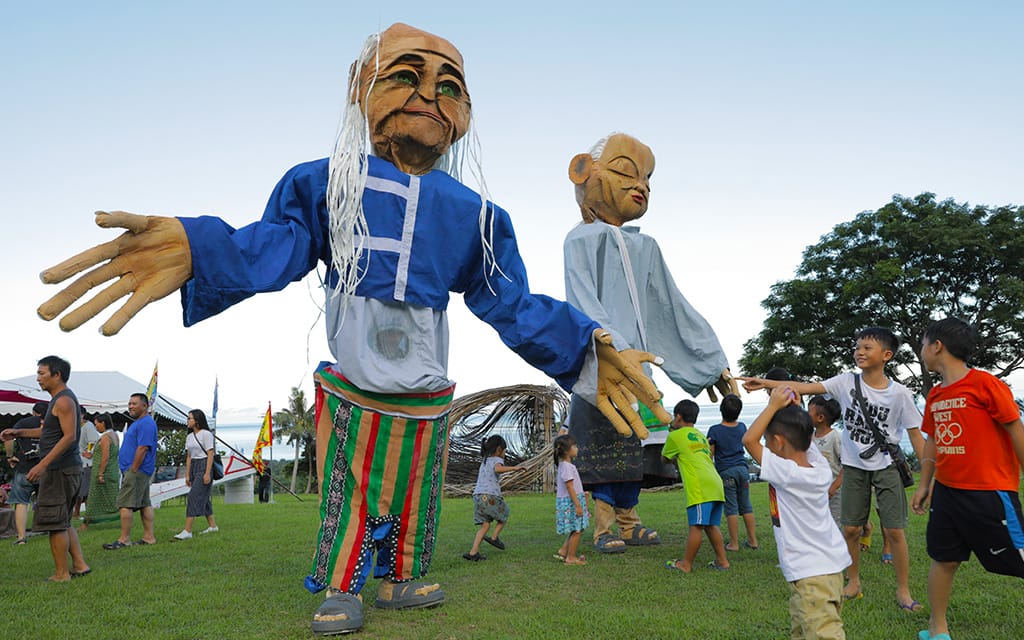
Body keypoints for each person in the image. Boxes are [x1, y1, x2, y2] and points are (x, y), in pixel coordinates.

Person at [35, 24, 668, 635]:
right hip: (353, 391)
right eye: (404, 75)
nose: (429, 95)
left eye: (450, 86)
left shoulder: (476, 215)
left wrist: (582, 343)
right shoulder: (322, 184)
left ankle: (401, 577)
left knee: (418, 497)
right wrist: (204, 248)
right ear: (359, 87)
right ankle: (342, 585)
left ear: (467, 113)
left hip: (427, 394)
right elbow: (273, 248)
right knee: (353, 494)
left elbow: (509, 299)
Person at [563, 132, 737, 554]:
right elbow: (581, 300)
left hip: (637, 372)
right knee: (602, 447)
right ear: (584, 170)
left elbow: (670, 306)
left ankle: (629, 521)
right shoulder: (580, 239)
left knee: (631, 451)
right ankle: (604, 529)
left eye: (647, 178)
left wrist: (709, 359)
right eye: (627, 171)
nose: (640, 184)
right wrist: (611, 346)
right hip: (602, 368)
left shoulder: (647, 246)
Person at [740, 326, 926, 610]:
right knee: (850, 529)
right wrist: (764, 383)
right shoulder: (846, 382)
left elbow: (915, 435)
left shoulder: (900, 394)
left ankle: (903, 590)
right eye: (858, 346)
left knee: (896, 530)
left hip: (886, 465)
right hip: (853, 466)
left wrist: (925, 480)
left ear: (886, 355)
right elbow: (805, 387)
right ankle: (853, 582)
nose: (860, 352)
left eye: (867, 348)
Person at [911, 318, 1024, 640]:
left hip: (989, 493)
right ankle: (938, 629)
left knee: (1019, 559)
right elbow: (932, 439)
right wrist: (924, 484)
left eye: (923, 344)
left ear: (937, 346)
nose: (921, 351)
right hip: (947, 494)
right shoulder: (935, 395)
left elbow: (1015, 428)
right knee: (944, 558)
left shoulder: (986, 384)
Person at [742, 386, 851, 640]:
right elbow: (804, 439)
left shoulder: (787, 473)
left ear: (778, 443)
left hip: (811, 572)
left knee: (823, 634)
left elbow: (748, 441)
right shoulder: (819, 467)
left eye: (769, 442)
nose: (766, 446)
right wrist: (795, 409)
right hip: (827, 569)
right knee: (802, 631)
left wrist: (772, 406)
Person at [0, 356, 90, 581]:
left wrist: (42, 464)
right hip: (64, 469)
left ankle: (61, 574)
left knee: (54, 522)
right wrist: (18, 432)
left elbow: (69, 437)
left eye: (42, 373)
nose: (38, 378)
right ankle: (79, 565)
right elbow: (49, 433)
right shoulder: (58, 401)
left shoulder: (63, 401)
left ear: (56, 375)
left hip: (60, 470)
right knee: (64, 520)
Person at [663, 400, 729, 572]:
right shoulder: (700, 435)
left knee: (696, 525)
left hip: (700, 486)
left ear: (678, 417)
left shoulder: (674, 436)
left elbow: (664, 458)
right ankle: (722, 561)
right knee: (710, 525)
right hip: (716, 483)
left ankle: (685, 564)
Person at [103, 392, 158, 549]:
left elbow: (143, 448)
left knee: (125, 504)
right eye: (130, 403)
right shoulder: (138, 423)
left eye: (134, 403)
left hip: (137, 471)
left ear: (145, 405)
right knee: (144, 503)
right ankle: (149, 537)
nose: (131, 406)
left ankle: (124, 539)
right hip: (138, 471)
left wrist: (132, 469)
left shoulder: (146, 423)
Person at [707, 393, 759, 551]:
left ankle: (734, 543)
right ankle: (753, 541)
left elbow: (711, 454)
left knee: (731, 507)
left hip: (726, 472)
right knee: (746, 505)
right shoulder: (742, 426)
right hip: (743, 470)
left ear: (721, 409)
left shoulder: (714, 430)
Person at [463, 435, 523, 561]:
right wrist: (514, 468)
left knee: (485, 525)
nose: (505, 453)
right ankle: (495, 537)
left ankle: (473, 553)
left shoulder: (485, 460)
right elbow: (498, 469)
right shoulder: (496, 459)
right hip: (490, 495)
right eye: (505, 451)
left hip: (478, 496)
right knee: (504, 514)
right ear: (499, 449)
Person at [3, 401, 46, 544]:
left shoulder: (23, 422)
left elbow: (8, 438)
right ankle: (50, 530)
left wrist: (10, 456)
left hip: (25, 467)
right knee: (49, 499)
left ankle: (21, 537)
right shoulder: (53, 423)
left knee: (21, 502)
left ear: (34, 412)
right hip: (47, 467)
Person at [174, 409, 219, 540]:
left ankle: (187, 530)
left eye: (190, 418)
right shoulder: (189, 436)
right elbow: (188, 456)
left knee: (193, 496)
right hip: (194, 466)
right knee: (204, 498)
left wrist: (207, 473)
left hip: (204, 465)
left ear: (197, 420)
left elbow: (210, 453)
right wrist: (187, 475)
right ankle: (213, 526)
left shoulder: (206, 434)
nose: (187, 421)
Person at [553, 434, 589, 566]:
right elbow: (569, 487)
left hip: (573, 500)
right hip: (572, 502)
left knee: (577, 527)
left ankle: (564, 550)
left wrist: (582, 494)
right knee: (577, 530)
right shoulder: (567, 467)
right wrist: (578, 505)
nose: (577, 448)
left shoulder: (566, 465)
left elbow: (572, 486)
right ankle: (571, 557)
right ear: (567, 450)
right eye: (574, 446)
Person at [808, 395, 843, 526]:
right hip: (815, 491)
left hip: (833, 492)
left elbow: (846, 466)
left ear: (820, 418)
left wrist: (833, 488)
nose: (806, 415)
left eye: (808, 412)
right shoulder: (809, 437)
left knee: (834, 525)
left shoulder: (835, 437)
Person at [82, 413, 120, 527]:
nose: (96, 427)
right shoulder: (115, 435)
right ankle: (117, 520)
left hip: (103, 472)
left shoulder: (105, 437)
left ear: (103, 423)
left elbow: (105, 457)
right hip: (113, 470)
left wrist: (100, 474)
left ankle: (86, 524)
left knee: (93, 498)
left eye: (96, 424)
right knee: (111, 499)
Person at [74, 407, 99, 519]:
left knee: (87, 490)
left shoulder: (88, 426)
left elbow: (93, 441)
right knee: (78, 490)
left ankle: (89, 514)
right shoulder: (75, 427)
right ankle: (76, 513)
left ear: (82, 415)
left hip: (86, 463)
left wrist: (89, 452)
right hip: (77, 462)